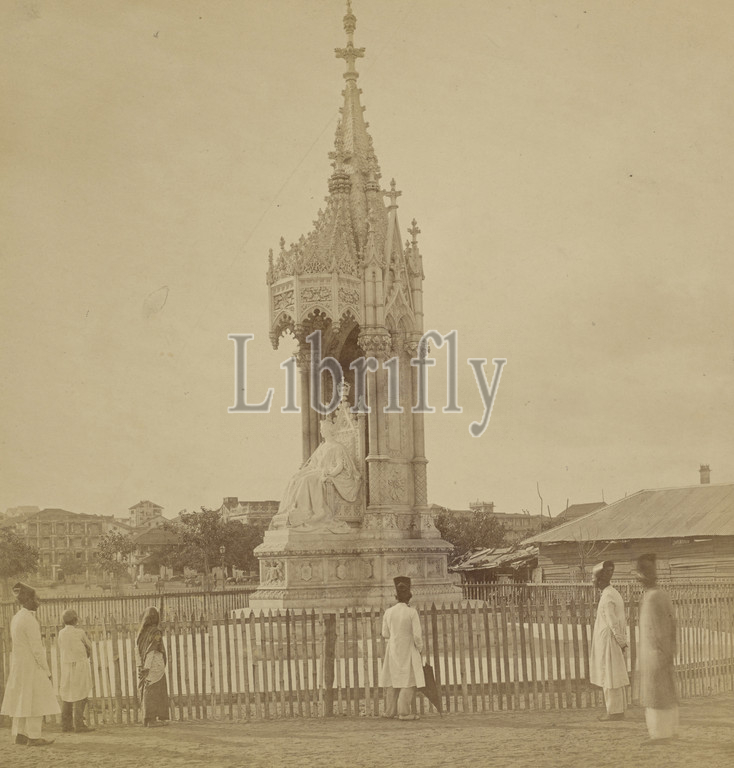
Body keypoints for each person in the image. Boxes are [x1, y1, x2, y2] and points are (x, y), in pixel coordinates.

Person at [270, 418, 360, 532]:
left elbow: (340, 466)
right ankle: (294, 509)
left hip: (327, 474)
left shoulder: (337, 447)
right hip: (317, 471)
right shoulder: (322, 447)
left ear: (329, 430)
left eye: (323, 429)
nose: (321, 431)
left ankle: (305, 512)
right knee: (296, 478)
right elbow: (313, 465)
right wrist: (301, 472)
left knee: (306, 480)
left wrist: (330, 474)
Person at [0, 582, 60, 746]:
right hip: (31, 666)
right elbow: (37, 650)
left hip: (19, 665)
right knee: (35, 700)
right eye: (36, 599)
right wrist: (47, 671)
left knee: (22, 698)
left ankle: (20, 734)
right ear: (27, 600)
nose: (38, 602)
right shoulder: (29, 620)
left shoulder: (17, 618)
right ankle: (34, 736)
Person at [635, 552, 679, 745]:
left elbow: (662, 630)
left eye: (642, 573)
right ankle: (668, 732)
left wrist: (663, 653)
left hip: (656, 654)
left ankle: (661, 735)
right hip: (657, 653)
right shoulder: (659, 595)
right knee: (663, 693)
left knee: (656, 695)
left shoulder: (654, 598)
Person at [378, 576, 425, 721]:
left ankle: (389, 711)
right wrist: (420, 648)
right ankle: (404, 713)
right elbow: (417, 635)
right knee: (408, 679)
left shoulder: (389, 612)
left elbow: (385, 633)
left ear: (396, 596)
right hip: (408, 648)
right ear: (409, 597)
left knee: (392, 679)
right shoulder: (412, 612)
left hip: (393, 648)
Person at [589, 560, 629, 721]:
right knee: (614, 675)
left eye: (594, 579)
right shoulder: (612, 593)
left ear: (600, 580)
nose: (593, 582)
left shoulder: (607, 597)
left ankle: (614, 712)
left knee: (609, 676)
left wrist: (621, 642)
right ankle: (618, 710)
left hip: (609, 642)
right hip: (610, 640)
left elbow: (613, 623)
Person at [58, 609, 94, 733]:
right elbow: (89, 646)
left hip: (67, 666)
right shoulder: (80, 632)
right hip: (79, 666)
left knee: (67, 693)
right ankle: (79, 724)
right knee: (81, 693)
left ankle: (66, 725)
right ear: (75, 620)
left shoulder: (61, 633)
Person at [136, 607, 169, 726]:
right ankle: (151, 720)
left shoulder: (141, 633)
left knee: (148, 691)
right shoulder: (155, 632)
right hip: (154, 667)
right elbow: (151, 651)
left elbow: (137, 651)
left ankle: (149, 718)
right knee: (154, 692)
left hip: (145, 666)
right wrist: (147, 668)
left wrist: (140, 666)